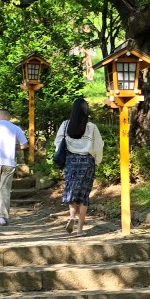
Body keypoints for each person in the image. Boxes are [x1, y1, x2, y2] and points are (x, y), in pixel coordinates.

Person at [54, 97, 104, 235]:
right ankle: (80, 230)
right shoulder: (91, 127)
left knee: (71, 191)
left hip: (71, 161)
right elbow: (98, 146)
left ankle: (71, 217)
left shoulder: (65, 125)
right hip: (87, 162)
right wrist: (97, 160)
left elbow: (58, 143)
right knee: (83, 195)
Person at [0, 105, 28, 225]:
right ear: (9, 118)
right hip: (9, 162)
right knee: (5, 189)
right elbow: (24, 145)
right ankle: (3, 217)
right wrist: (15, 146)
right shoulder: (16, 128)